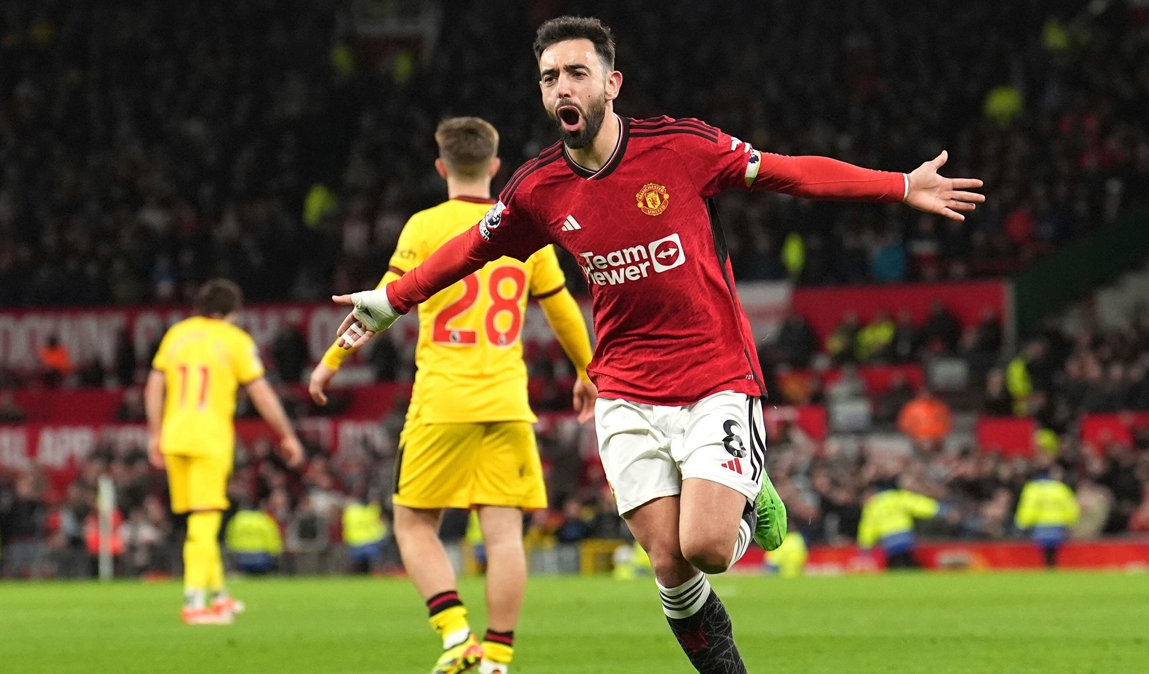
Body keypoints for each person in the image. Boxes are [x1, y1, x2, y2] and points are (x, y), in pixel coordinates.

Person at [334, 16, 983, 674]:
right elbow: (472, 249)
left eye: (577, 73)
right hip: (624, 390)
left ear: (611, 84)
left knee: (706, 548)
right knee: (669, 563)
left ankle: (750, 486)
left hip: (714, 376)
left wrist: (900, 185)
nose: (563, 87)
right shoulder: (537, 188)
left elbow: (789, 173)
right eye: (550, 77)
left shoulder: (680, 147)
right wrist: (392, 300)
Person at [308, 117, 597, 674]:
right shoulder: (523, 224)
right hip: (507, 402)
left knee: (413, 524)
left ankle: (457, 635)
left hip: (441, 402)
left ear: (441, 167)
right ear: (495, 166)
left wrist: (330, 363)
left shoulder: (423, 226)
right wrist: (587, 371)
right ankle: (497, 658)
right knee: (504, 535)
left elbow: (383, 302)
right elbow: (561, 307)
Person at [145, 279, 304, 625]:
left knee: (200, 520)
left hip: (174, 436)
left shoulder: (177, 334)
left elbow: (154, 384)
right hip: (209, 438)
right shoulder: (235, 340)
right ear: (233, 311)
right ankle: (194, 603)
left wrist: (155, 434)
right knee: (205, 521)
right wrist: (287, 435)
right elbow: (261, 392)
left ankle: (218, 597)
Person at [857, 479, 943, 569]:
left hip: (888, 538)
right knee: (908, 559)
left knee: (895, 563)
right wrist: (939, 509)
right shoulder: (897, 496)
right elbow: (918, 504)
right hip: (904, 534)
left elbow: (868, 526)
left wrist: (865, 544)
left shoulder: (872, 506)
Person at [1014, 466, 1080, 568]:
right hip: (1057, 522)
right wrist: (1072, 520)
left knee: (1043, 550)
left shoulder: (1033, 488)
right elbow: (1069, 505)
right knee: (1054, 550)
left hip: (1040, 524)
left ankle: (1046, 568)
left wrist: (1022, 522)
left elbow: (1028, 506)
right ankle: (1052, 567)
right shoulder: (1060, 488)